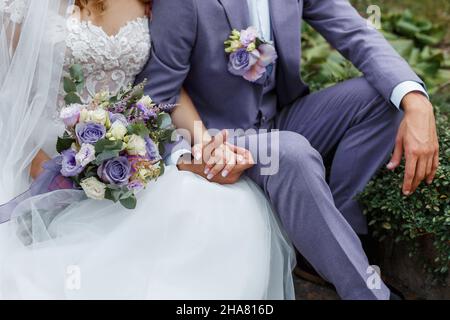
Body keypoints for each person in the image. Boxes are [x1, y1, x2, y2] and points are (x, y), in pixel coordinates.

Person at [140, 0, 440, 300]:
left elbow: (355, 31)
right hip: (218, 137)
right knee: (290, 151)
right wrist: (190, 156)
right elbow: (159, 96)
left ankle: (322, 240)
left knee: (386, 97)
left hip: (280, 118)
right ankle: (366, 293)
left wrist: (415, 98)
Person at [0, 0, 295, 299]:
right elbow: (8, 89)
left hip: (126, 154)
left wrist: (204, 144)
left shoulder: (154, 3)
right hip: (36, 150)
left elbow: (167, 87)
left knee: (221, 205)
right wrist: (37, 162)